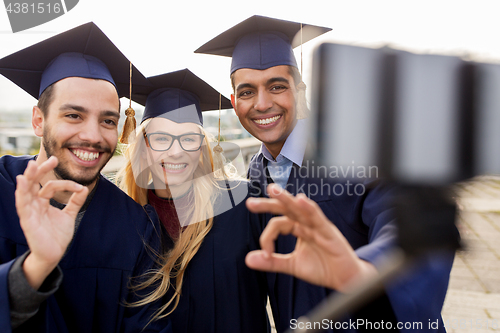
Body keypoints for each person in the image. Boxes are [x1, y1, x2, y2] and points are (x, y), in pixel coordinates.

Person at [196, 15, 454, 332]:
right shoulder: (257, 171)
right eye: (247, 92)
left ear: (301, 90)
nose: (262, 104)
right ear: (234, 102)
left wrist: (364, 273)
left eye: (277, 86)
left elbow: (406, 226)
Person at [0, 22, 171, 333]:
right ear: (39, 120)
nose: (92, 135)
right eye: (73, 115)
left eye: (108, 120)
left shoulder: (136, 226)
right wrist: (35, 267)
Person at [116, 69, 270, 332]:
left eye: (189, 139)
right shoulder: (126, 220)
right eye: (161, 139)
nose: (176, 152)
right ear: (143, 147)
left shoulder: (245, 205)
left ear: (201, 150)